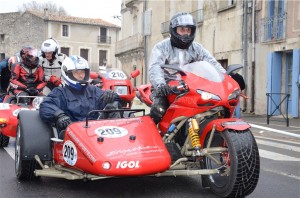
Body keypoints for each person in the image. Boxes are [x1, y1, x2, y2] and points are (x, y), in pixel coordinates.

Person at [148, 12, 226, 124]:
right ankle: (153, 138)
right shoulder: (161, 47)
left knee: (212, 107)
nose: (185, 34)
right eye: (182, 30)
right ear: (174, 30)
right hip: (167, 88)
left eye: (188, 30)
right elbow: (155, 67)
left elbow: (212, 62)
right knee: (158, 111)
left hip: (191, 87)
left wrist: (226, 76)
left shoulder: (197, 48)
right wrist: (161, 85)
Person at [39, 55, 121, 139]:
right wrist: (59, 116)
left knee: (113, 104)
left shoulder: (93, 90)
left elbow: (116, 104)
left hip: (97, 133)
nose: (81, 76)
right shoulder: (60, 92)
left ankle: (118, 141)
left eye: (83, 72)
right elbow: (45, 106)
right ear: (68, 73)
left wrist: (112, 95)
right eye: (77, 72)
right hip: (71, 135)